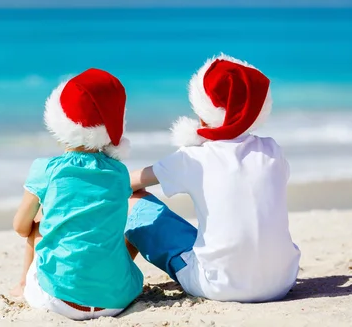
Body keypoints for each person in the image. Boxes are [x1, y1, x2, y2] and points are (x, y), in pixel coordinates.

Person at [125, 54, 301, 303]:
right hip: (282, 282)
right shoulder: (272, 150)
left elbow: (129, 182)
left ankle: (112, 277)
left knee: (133, 201)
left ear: (203, 109)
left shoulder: (195, 157)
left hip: (219, 286)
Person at [11, 68, 143, 321]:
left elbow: (19, 226)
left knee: (38, 220)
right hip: (116, 301)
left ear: (59, 121)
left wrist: (38, 224)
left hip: (58, 300)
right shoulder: (119, 172)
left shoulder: (46, 169)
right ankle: (108, 277)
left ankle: (21, 285)